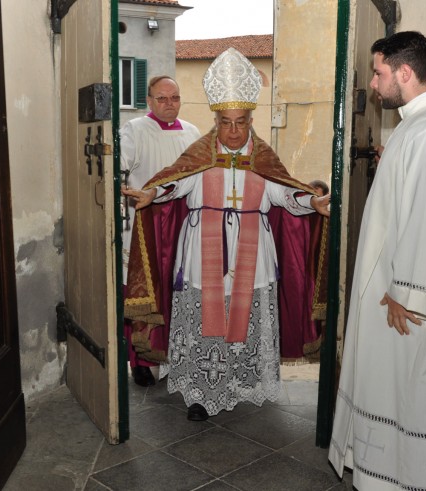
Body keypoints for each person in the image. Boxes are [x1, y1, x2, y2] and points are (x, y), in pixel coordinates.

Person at [122, 48, 330, 421]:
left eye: (241, 122)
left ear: (251, 120)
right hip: (203, 257)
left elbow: (284, 194)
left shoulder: (263, 158)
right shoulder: (199, 156)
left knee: (246, 319)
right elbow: (176, 185)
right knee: (205, 323)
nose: (233, 131)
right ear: (215, 120)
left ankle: (242, 383)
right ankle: (203, 392)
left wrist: (308, 203)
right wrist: (153, 193)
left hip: (255, 257)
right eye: (226, 122)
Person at [328, 31, 426, 490]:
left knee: (404, 400)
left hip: (408, 307)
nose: (373, 83)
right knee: (389, 398)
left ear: (405, 73)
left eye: (379, 72)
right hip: (397, 293)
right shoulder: (417, 126)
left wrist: (404, 293)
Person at [120, 75, 201, 387]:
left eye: (175, 98)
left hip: (184, 224)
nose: (170, 104)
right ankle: (139, 360)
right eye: (162, 98)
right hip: (148, 225)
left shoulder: (192, 132)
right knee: (143, 293)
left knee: (178, 292)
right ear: (150, 101)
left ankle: (175, 356)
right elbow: (120, 165)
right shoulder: (135, 130)